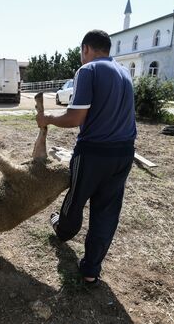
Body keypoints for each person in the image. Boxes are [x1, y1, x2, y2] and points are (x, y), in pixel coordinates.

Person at [36, 29, 136, 285]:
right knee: (106, 210)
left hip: (94, 152)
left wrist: (46, 119)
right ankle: (91, 270)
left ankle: (63, 231)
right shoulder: (125, 72)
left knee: (76, 197)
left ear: (86, 49)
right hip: (124, 152)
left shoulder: (88, 71)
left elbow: (75, 118)